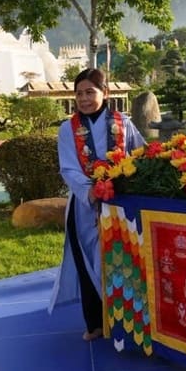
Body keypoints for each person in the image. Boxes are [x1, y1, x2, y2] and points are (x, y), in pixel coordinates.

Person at [50, 68, 146, 341]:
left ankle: (127, 320)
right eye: (79, 93)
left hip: (119, 204)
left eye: (90, 92)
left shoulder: (124, 124)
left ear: (106, 93)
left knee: (123, 260)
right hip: (84, 205)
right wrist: (90, 191)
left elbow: (140, 155)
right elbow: (67, 168)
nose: (83, 98)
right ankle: (95, 324)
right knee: (88, 263)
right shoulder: (67, 130)